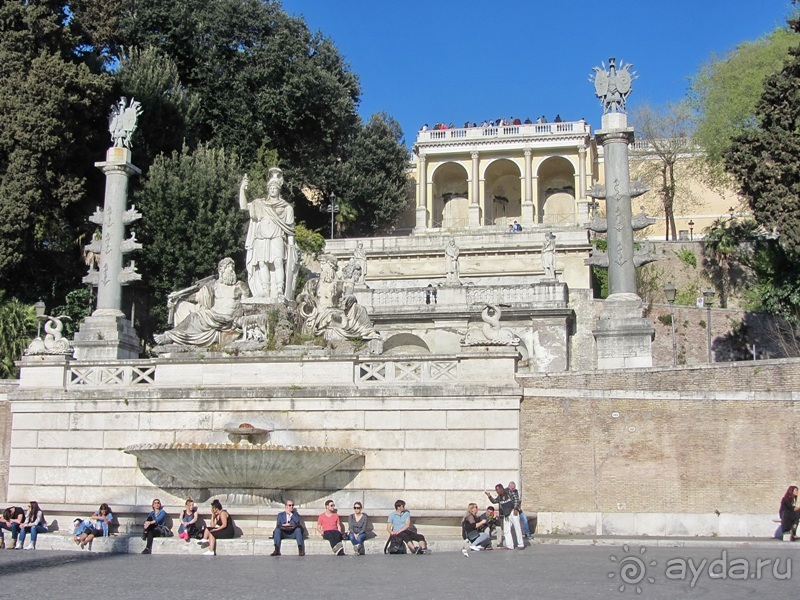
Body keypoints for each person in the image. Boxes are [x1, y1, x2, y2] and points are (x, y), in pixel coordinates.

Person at [154, 257, 250, 346]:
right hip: (213, 315)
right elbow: (197, 297)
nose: (231, 269)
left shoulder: (240, 286)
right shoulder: (214, 285)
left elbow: (247, 306)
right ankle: (174, 336)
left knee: (196, 316)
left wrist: (239, 318)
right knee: (190, 312)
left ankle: (170, 336)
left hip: (228, 319)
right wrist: (180, 297)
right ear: (221, 270)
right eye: (228, 267)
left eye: (232, 267)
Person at [239, 167, 296, 300]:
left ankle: (280, 290)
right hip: (261, 238)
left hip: (277, 237)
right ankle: (265, 290)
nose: (272, 190)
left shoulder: (286, 207)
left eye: (275, 188)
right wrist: (242, 189)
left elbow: (290, 230)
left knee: (277, 262)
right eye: (270, 188)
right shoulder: (260, 204)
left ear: (278, 189)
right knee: (262, 263)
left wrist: (292, 247)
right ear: (268, 190)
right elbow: (243, 206)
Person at [486, 484, 524, 550]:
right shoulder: (500, 497)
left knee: (517, 528)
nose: (497, 492)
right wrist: (489, 496)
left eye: (497, 490)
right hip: (506, 514)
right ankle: (510, 546)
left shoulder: (509, 492)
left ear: (501, 489)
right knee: (506, 530)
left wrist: (515, 508)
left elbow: (516, 499)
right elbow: (494, 501)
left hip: (513, 512)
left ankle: (521, 544)